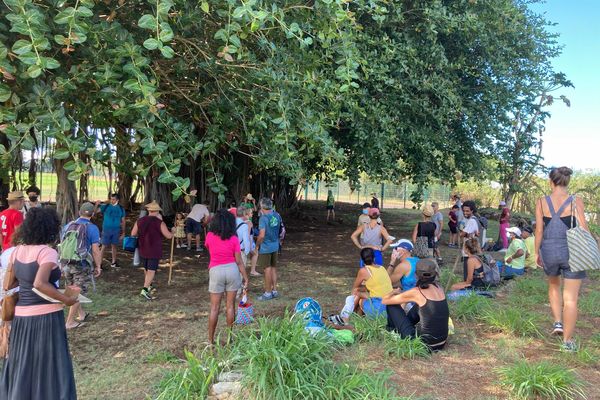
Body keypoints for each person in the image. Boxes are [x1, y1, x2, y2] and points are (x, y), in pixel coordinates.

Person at [0, 208, 79, 400]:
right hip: (46, 317)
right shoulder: (47, 252)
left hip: (21, 317)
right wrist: (67, 299)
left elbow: (9, 284)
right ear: (50, 228)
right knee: (49, 363)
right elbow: (39, 283)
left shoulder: (16, 251)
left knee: (24, 362)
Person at [535, 166, 588, 352]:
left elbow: (539, 230)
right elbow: (583, 228)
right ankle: (567, 342)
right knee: (571, 299)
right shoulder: (576, 201)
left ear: (551, 181)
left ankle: (558, 322)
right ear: (567, 182)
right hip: (573, 252)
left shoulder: (542, 202)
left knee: (554, 285)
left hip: (549, 249)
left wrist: (535, 252)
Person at [383, 259, 450, 351]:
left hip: (424, 345)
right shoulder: (439, 288)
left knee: (392, 305)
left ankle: (393, 331)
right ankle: (402, 327)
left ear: (416, 275)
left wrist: (393, 292)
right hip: (441, 342)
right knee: (420, 306)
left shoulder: (417, 292)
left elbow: (385, 301)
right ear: (435, 274)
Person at [205, 209, 249, 344]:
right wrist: (246, 277)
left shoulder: (210, 236)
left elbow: (210, 251)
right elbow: (239, 261)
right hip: (232, 271)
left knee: (214, 308)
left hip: (216, 270)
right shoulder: (234, 238)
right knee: (230, 306)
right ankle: (230, 338)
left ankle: (210, 340)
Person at [62, 202, 102, 329]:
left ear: (79, 212)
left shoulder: (68, 225)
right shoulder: (92, 228)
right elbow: (95, 250)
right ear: (93, 214)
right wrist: (98, 266)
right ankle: (69, 322)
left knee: (71, 290)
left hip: (66, 263)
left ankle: (81, 314)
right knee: (77, 293)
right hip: (81, 264)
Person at [335, 248, 393, 324]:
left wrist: (361, 289)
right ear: (374, 258)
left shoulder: (364, 270)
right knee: (361, 294)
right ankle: (357, 320)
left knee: (357, 293)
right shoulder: (382, 268)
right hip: (391, 307)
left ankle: (346, 317)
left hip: (379, 308)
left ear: (362, 260)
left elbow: (355, 287)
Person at [131, 201, 174, 300]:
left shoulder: (140, 220)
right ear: (157, 211)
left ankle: (149, 285)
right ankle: (145, 289)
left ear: (149, 210)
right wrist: (173, 231)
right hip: (154, 249)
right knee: (151, 270)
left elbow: (133, 233)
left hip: (142, 247)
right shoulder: (160, 223)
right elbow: (168, 236)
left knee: (146, 268)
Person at [256, 198, 282, 301]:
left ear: (262, 207)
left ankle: (267, 293)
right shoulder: (276, 215)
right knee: (273, 268)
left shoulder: (263, 218)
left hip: (266, 247)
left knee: (267, 269)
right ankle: (274, 290)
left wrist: (257, 245)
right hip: (275, 245)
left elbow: (261, 235)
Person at [95, 193, 126, 269]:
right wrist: (96, 205)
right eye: (111, 199)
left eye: (113, 199)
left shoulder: (121, 208)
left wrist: (123, 232)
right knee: (103, 246)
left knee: (114, 246)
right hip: (106, 230)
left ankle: (113, 262)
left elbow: (123, 221)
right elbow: (95, 212)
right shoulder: (106, 206)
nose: (111, 201)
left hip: (116, 230)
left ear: (117, 200)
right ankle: (100, 264)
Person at [460, 200, 479, 280]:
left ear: (472, 210)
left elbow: (461, 234)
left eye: (467, 211)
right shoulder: (475, 219)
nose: (465, 213)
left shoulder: (471, 221)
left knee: (467, 275)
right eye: (464, 211)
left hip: (468, 252)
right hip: (472, 250)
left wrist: (463, 232)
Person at [236, 207, 258, 275]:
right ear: (246, 214)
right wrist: (250, 246)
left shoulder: (238, 221)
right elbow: (247, 235)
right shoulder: (248, 222)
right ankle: (253, 270)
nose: (252, 214)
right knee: (255, 254)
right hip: (247, 244)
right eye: (251, 213)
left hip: (239, 244)